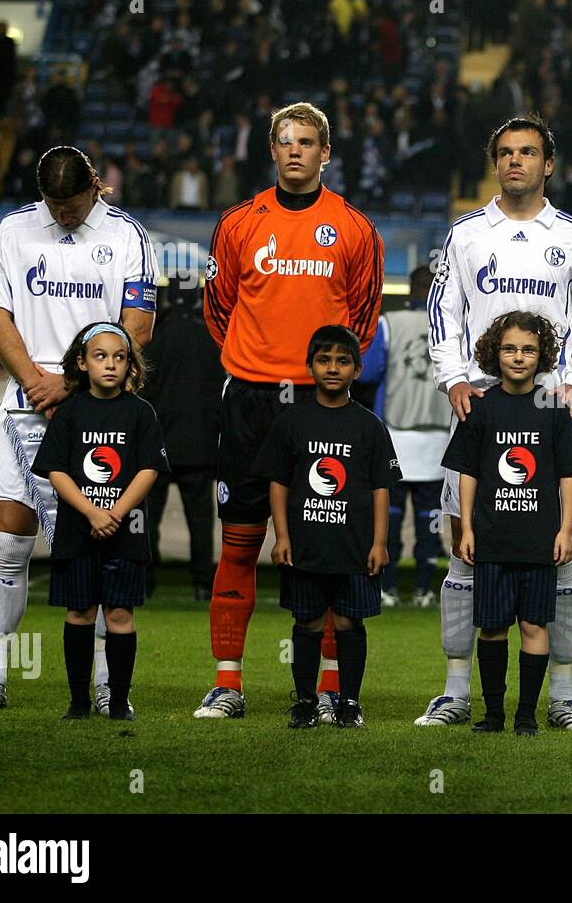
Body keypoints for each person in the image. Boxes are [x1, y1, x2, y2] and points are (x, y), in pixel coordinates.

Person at [420, 113, 572, 731]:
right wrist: (453, 380)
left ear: (548, 164)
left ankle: (562, 696)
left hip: (549, 418)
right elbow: (442, 313)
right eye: (505, 152)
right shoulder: (465, 234)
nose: (515, 162)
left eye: (528, 152)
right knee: (464, 553)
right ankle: (455, 693)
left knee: (561, 560)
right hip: (478, 411)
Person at [198, 102, 384, 721]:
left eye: (308, 142)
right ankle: (228, 683)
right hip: (249, 402)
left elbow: (359, 320)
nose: (296, 151)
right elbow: (218, 308)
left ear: (325, 153)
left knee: (328, 551)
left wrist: (320, 379)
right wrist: (257, 361)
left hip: (320, 404)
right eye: (286, 142)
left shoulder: (355, 230)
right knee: (242, 542)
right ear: (272, 151)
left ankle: (331, 691)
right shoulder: (238, 223)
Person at [0, 145, 157, 716]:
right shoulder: (15, 229)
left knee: (100, 547)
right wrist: (34, 381)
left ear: (95, 185)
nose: (63, 214)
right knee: (8, 538)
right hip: (25, 404)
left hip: (96, 409)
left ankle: (103, 683)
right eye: (54, 205)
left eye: (71, 204)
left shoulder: (127, 235)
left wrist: (72, 384)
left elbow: (137, 324)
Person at [441, 312, 572, 735]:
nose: (518, 357)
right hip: (491, 537)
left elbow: (567, 475)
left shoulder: (555, 410)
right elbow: (466, 473)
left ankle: (526, 715)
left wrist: (565, 530)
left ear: (541, 356)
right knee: (492, 626)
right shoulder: (480, 407)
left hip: (539, 540)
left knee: (534, 625)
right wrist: (466, 528)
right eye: (509, 349)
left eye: (527, 350)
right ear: (493, 353)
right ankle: (493, 714)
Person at [256, 325, 400, 729]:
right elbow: (279, 483)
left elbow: (380, 488)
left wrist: (379, 542)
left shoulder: (370, 425)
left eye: (342, 361)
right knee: (308, 623)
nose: (332, 368)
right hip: (305, 545)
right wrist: (281, 536)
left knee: (350, 623)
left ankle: (349, 704)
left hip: (354, 548)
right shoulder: (292, 422)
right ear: (309, 366)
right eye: (324, 360)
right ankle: (304, 702)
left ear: (357, 369)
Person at [30, 322, 168, 720]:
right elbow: (55, 469)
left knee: (120, 614)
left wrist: (116, 513)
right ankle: (77, 703)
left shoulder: (141, 413)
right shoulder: (69, 412)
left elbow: (148, 469)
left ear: (131, 366)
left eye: (119, 357)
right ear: (82, 362)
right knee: (80, 613)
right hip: (78, 532)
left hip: (125, 535)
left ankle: (119, 701)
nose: (110, 365)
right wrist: (91, 512)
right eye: (100, 356)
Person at [142, 284, 222, 601]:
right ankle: (203, 584)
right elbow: (220, 396)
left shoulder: (155, 335)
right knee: (201, 522)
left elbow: (143, 389)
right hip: (200, 447)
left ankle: (145, 582)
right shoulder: (212, 338)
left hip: (158, 446)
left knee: (147, 520)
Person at [379, 265, 452, 607]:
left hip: (395, 436)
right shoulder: (455, 329)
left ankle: (388, 588)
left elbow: (367, 371)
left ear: (410, 289)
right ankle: (424, 589)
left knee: (390, 517)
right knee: (430, 522)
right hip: (438, 440)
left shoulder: (389, 323)